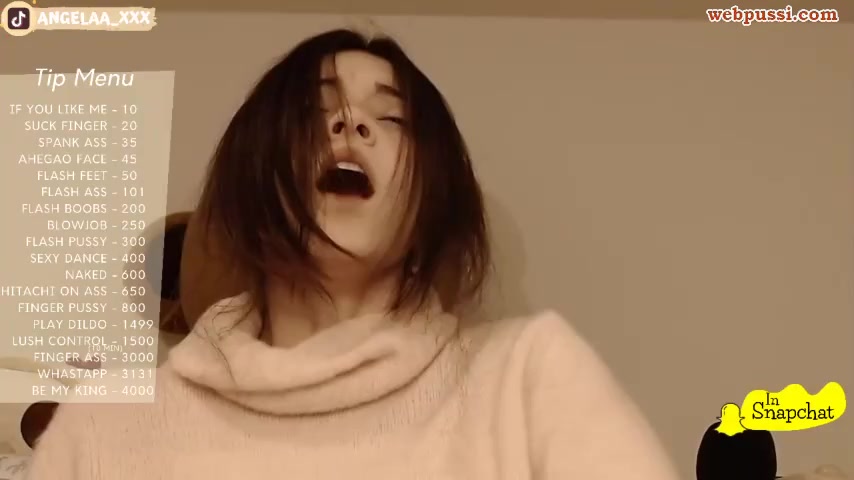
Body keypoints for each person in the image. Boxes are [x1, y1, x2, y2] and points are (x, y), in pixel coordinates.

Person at [25, 28, 680, 479]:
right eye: (318, 112)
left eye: (390, 119)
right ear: (255, 175)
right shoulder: (105, 429)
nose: (351, 123)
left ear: (430, 202)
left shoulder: (530, 379)